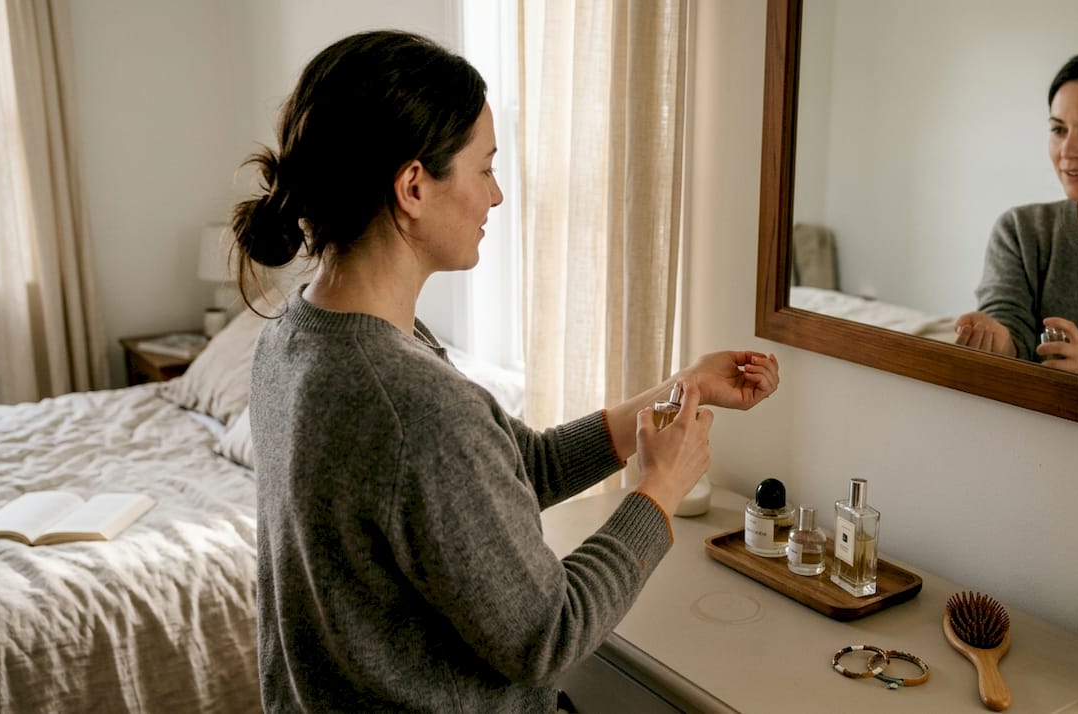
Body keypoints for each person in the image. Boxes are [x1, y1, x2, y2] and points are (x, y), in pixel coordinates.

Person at [230, 30, 780, 713]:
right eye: (485, 168)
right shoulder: (410, 402)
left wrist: (683, 389)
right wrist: (661, 487)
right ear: (413, 186)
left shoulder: (299, 332)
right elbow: (547, 635)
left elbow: (522, 466)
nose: (496, 196)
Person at [954, 42, 1078, 374]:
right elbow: (1008, 323)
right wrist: (997, 339)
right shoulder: (1021, 230)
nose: (1068, 150)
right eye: (1058, 129)